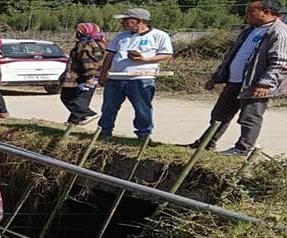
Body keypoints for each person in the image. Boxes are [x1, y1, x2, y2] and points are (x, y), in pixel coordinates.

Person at [187, 0, 287, 156]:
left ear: (266, 12)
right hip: (235, 80)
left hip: (255, 84)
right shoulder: (249, 30)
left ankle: (242, 149)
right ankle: (206, 143)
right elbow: (232, 56)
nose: (246, 15)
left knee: (249, 117)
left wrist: (266, 84)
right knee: (219, 114)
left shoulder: (278, 32)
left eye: (250, 11)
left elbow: (280, 62)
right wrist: (217, 77)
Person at [97, 8, 173, 139]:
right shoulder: (121, 36)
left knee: (142, 109)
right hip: (115, 78)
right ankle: (104, 131)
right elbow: (109, 56)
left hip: (141, 79)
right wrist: (103, 74)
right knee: (108, 107)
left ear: (140, 21)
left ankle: (143, 134)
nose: (123, 23)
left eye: (126, 20)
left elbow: (166, 55)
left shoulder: (159, 35)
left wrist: (145, 59)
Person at [60, 23, 107, 125]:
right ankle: (75, 120)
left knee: (67, 97)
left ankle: (88, 114)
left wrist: (89, 77)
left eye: (79, 31)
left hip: (79, 76)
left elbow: (88, 61)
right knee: (81, 100)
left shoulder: (85, 44)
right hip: (90, 76)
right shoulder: (99, 43)